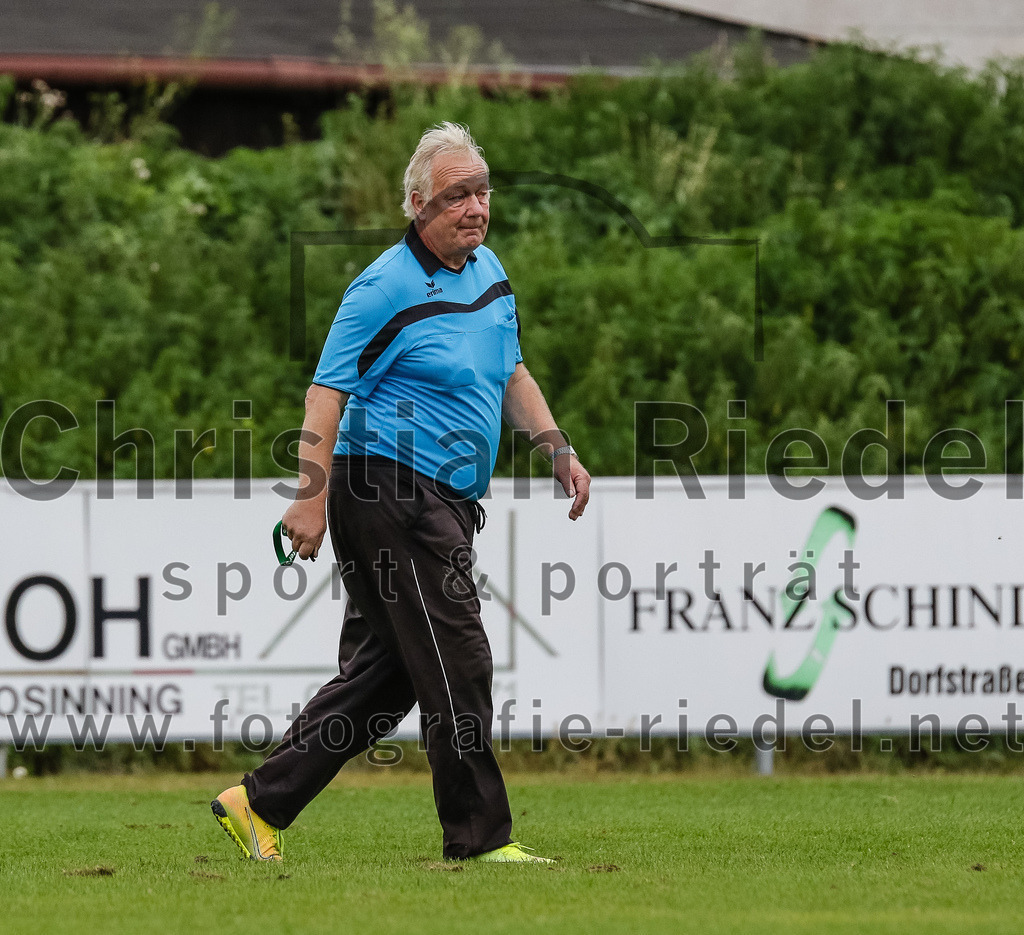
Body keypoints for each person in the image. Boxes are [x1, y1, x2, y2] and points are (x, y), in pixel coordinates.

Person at [212, 122, 590, 864]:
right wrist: (308, 497)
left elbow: (512, 372)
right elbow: (327, 392)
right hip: (386, 488)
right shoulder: (381, 285)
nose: (475, 207)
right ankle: (480, 839)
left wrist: (558, 448)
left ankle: (259, 801)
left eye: (482, 191)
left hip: (444, 499)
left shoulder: (488, 272)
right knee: (460, 655)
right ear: (418, 201)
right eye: (457, 195)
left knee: (387, 679)